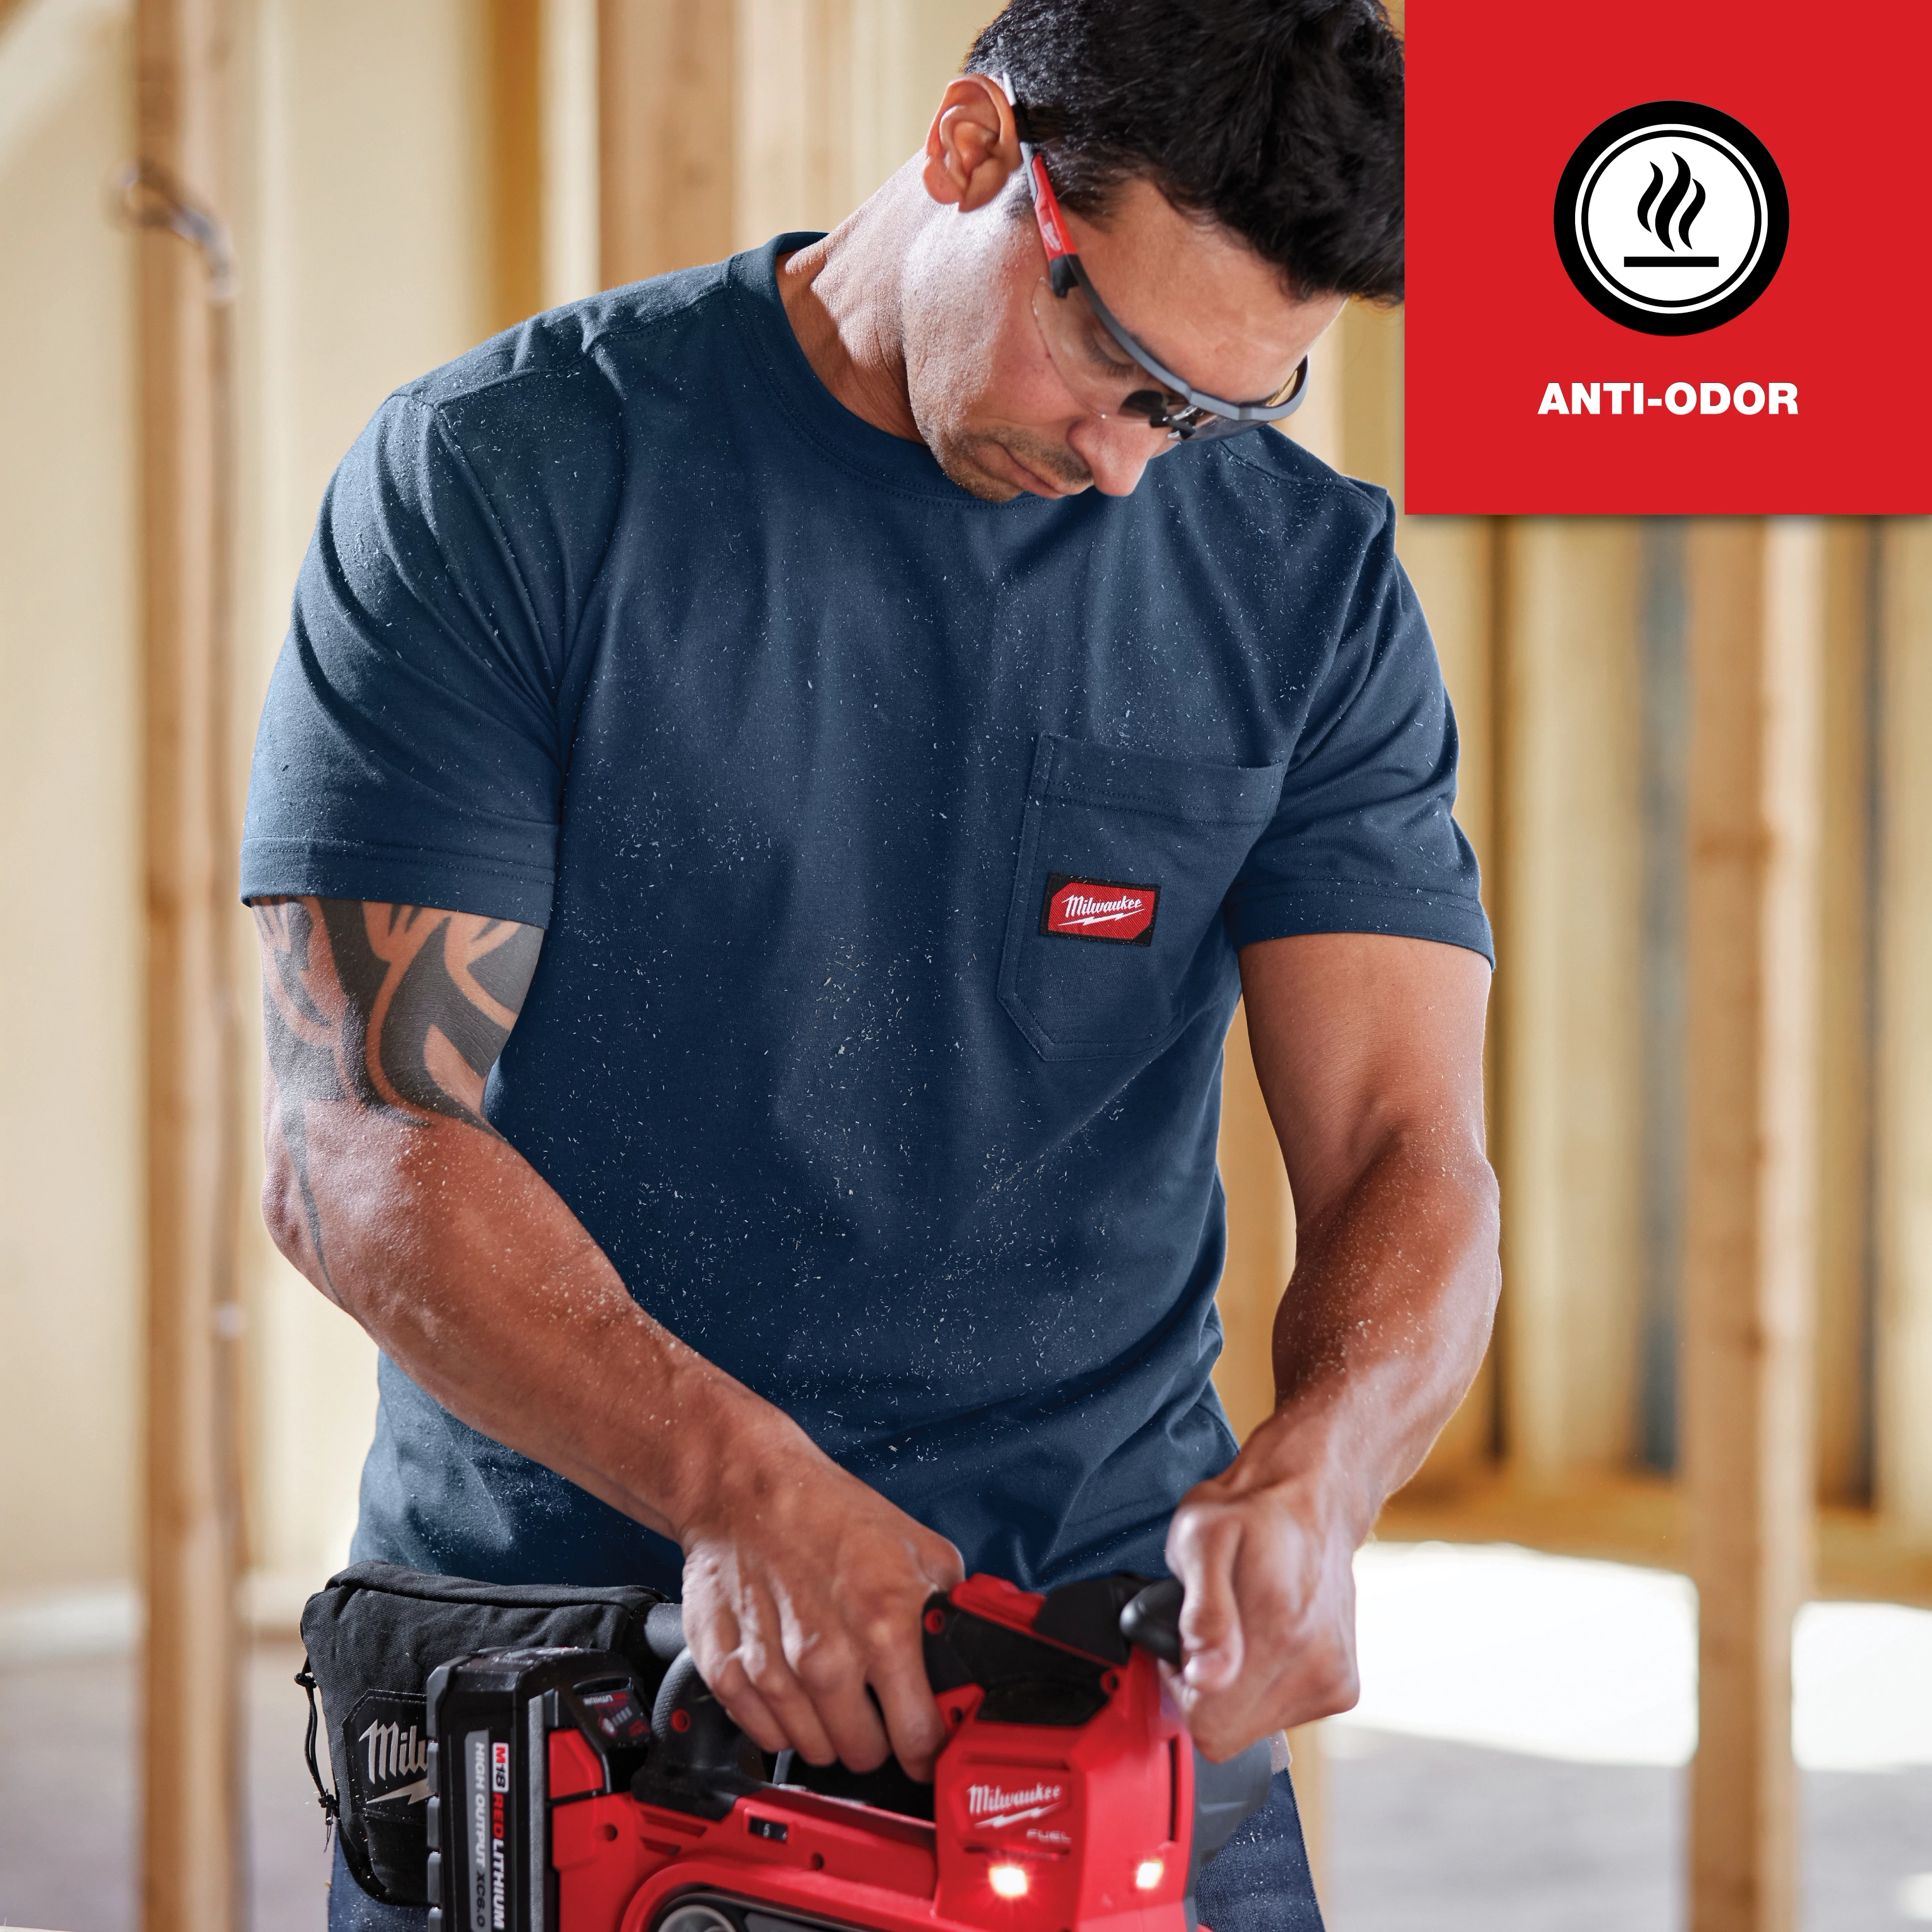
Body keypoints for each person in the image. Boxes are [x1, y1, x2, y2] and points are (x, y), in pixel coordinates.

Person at [242, 2, 1497, 1925]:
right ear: (977, 149)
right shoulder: (507, 481)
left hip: (1086, 1673)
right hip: (576, 1674)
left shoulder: (1300, 583)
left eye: (1218, 412)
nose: (1126, 461)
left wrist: (1324, 1473)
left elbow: (1413, 1146)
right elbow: (357, 1140)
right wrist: (735, 1484)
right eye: (1113, 357)